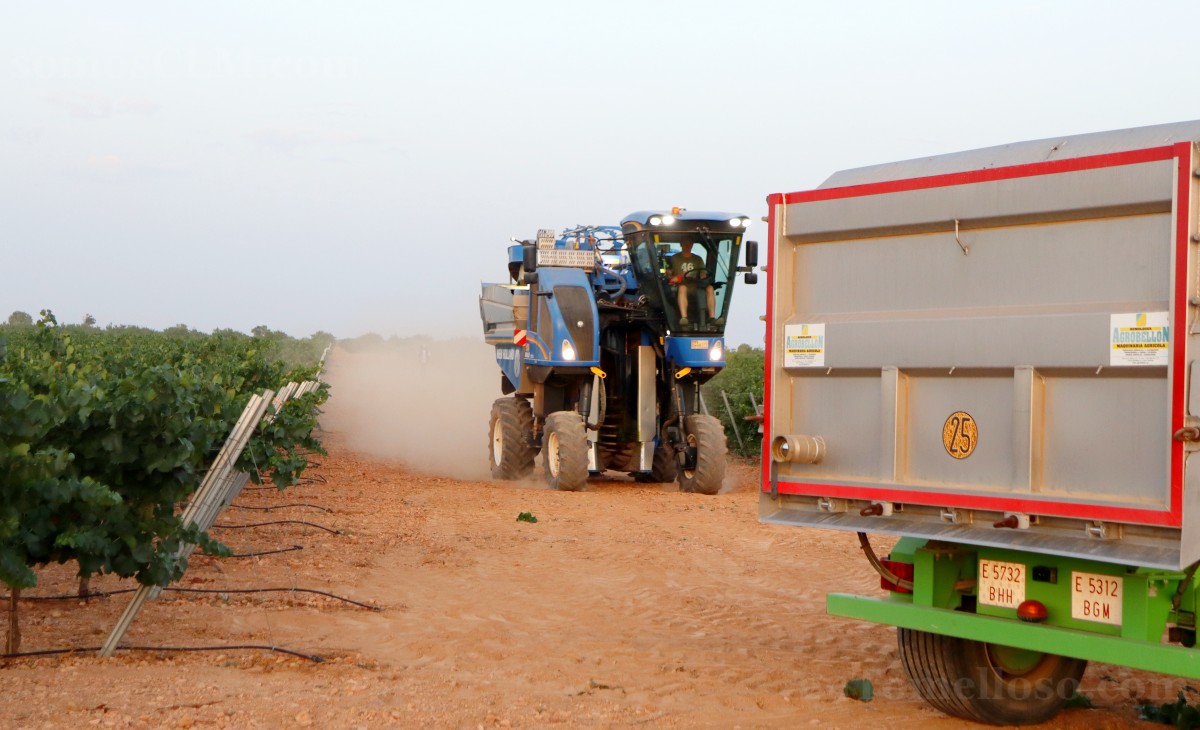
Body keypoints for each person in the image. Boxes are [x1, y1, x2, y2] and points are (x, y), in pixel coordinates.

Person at [667, 239, 718, 326]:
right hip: (681, 287)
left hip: (696, 286)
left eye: (689, 243)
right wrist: (673, 277)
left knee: (710, 288)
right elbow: (668, 274)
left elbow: (703, 273)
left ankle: (712, 318)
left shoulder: (698, 259)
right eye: (685, 242)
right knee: (682, 288)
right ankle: (684, 318)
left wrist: (702, 275)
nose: (687, 245)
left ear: (692, 244)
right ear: (681, 244)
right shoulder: (674, 258)